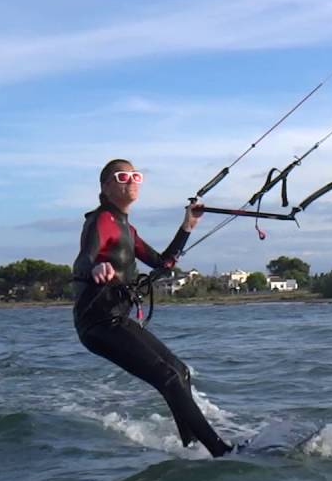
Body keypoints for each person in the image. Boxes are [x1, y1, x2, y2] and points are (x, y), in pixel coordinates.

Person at [72, 158, 235, 457]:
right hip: (96, 322)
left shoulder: (127, 229)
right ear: (106, 186)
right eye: (122, 176)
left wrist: (188, 226)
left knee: (180, 372)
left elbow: (164, 263)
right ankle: (221, 451)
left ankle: (191, 447)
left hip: (116, 318)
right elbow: (84, 258)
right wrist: (96, 266)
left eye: (136, 176)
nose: (131, 180)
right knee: (168, 377)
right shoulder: (100, 220)